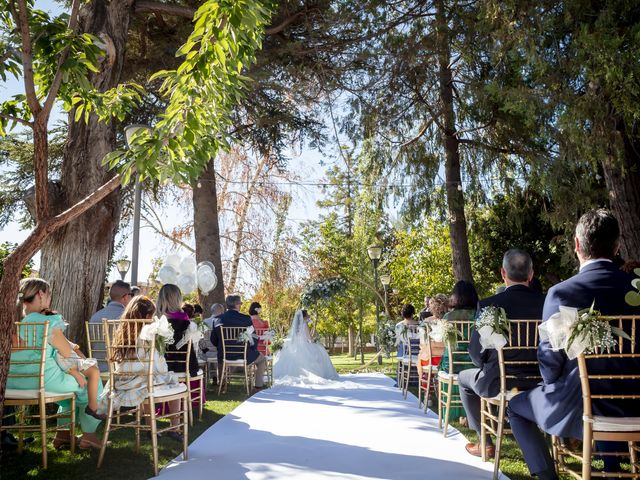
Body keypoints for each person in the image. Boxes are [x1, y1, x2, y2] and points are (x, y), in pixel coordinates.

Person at [508, 209, 640, 480]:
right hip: (635, 401)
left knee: (516, 407)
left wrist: (550, 383)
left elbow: (549, 359)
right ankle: (613, 470)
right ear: (617, 246)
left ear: (577, 245)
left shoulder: (563, 293)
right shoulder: (636, 289)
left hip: (580, 402)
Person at [459, 249, 545, 458]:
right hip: (541, 381)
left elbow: (475, 352)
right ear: (531, 274)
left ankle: (485, 442)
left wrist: (484, 364)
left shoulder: (489, 305)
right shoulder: (546, 303)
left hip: (499, 381)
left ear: (503, 273)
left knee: (463, 378)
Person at [9, 278, 104, 450]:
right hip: (43, 381)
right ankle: (89, 436)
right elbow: (66, 352)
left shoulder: (12, 321)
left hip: (12, 382)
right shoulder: (48, 321)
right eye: (49, 295)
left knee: (73, 389)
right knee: (89, 383)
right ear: (41, 294)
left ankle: (63, 436)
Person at [98, 296, 182, 441]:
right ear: (148, 316)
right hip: (142, 383)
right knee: (172, 380)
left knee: (149, 379)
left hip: (122, 381)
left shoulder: (121, 333)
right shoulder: (149, 335)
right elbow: (158, 365)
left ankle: (151, 428)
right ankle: (175, 427)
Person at [438, 281, 478, 421]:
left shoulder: (447, 318)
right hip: (475, 365)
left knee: (443, 363)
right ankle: (471, 414)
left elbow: (444, 343)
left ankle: (455, 412)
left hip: (453, 365)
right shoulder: (479, 316)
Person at [211, 295, 268, 390]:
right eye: (240, 304)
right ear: (237, 305)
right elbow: (253, 337)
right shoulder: (246, 319)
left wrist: (222, 347)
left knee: (220, 355)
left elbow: (214, 340)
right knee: (262, 359)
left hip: (224, 355)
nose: (240, 306)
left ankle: (221, 383)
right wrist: (253, 348)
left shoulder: (217, 319)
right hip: (244, 354)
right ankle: (258, 386)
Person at [272, 309, 338, 384]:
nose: (309, 315)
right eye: (307, 314)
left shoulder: (296, 327)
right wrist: (314, 339)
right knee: (320, 350)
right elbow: (309, 338)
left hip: (296, 345)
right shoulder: (305, 324)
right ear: (304, 316)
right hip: (304, 344)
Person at [53, 329, 105, 420]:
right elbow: (60, 360)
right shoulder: (54, 341)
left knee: (95, 371)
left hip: (77, 362)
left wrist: (84, 360)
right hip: (71, 366)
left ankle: (92, 406)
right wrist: (73, 372)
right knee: (94, 372)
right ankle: (92, 406)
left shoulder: (61, 338)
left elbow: (76, 349)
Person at [157, 285, 199, 379]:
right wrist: (193, 367)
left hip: (156, 367)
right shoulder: (183, 319)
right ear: (178, 299)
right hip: (182, 365)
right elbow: (189, 347)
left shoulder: (154, 319)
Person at [395, 304, 419, 384]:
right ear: (413, 313)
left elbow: (398, 341)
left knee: (401, 347)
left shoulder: (399, 325)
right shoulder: (419, 325)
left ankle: (401, 379)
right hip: (417, 352)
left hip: (405, 352)